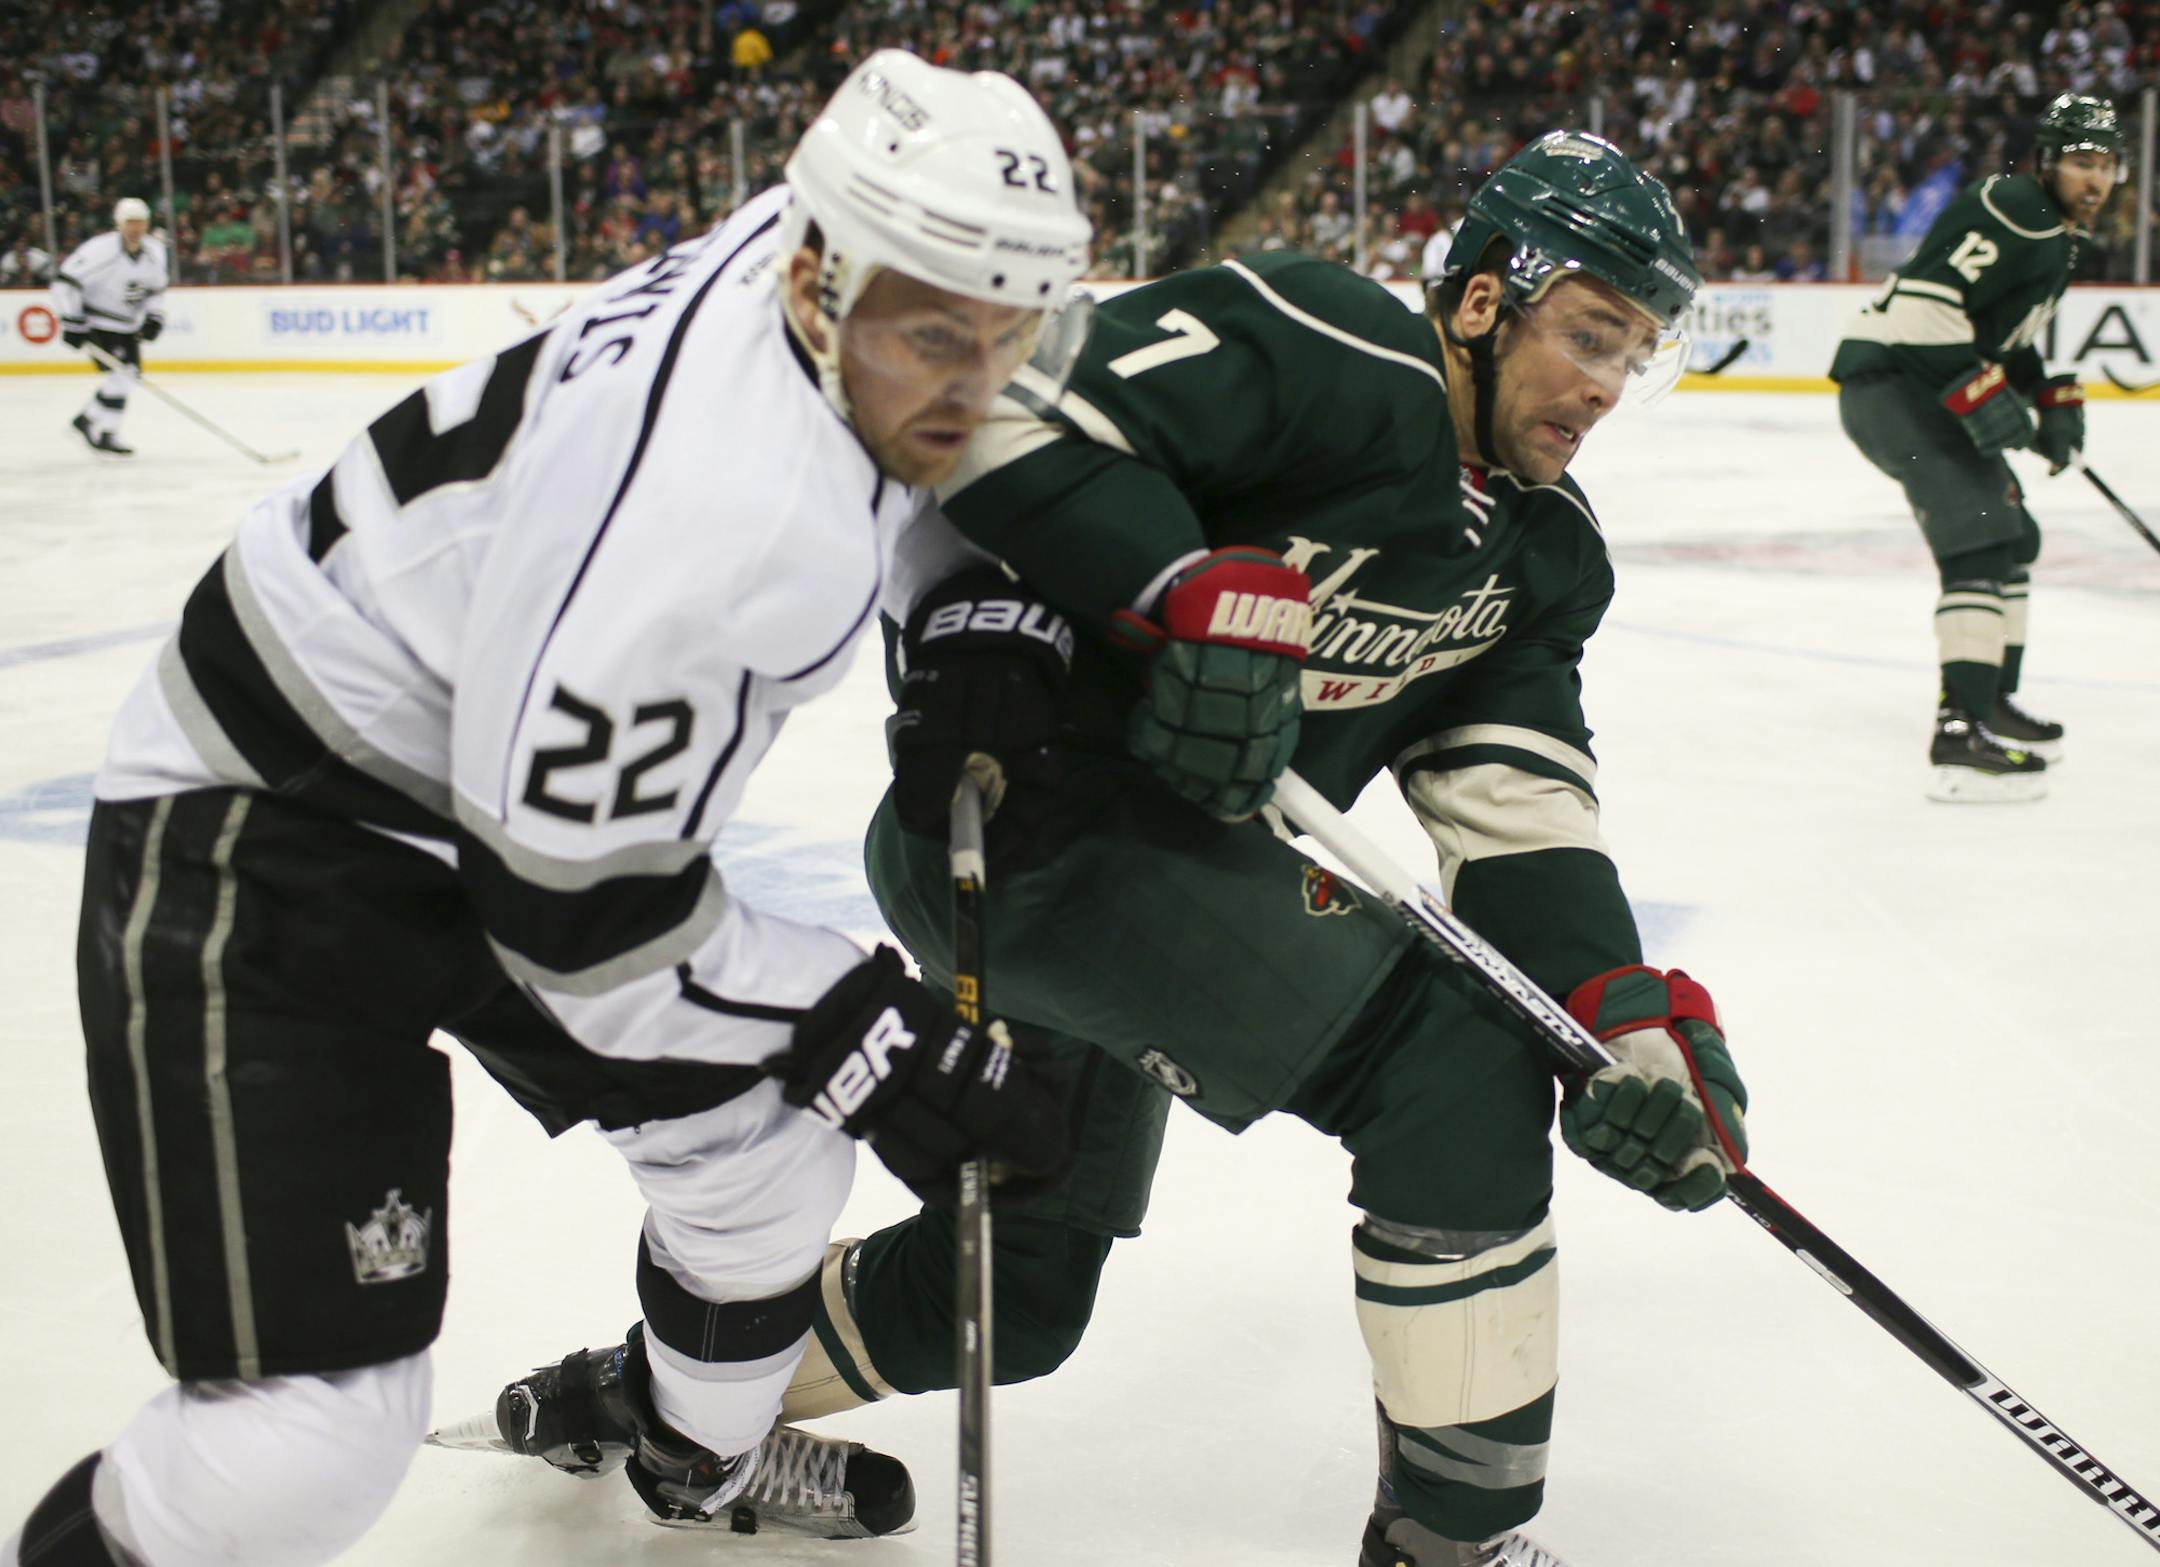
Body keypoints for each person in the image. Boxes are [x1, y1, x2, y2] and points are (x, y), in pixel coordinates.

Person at [474, 131, 1751, 1567]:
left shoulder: (1543, 557)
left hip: (1135, 885)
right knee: (1447, 1066)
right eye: (1588, 329)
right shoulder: (1325, 348)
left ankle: (654, 1394)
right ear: (1479, 300)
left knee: (1022, 1293)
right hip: (1022, 822)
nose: (1603, 383)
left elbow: (1518, 808)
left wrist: (1612, 1010)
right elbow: (1005, 411)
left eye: (1633, 353)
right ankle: (1453, 1545)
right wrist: (1178, 590)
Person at [3, 49, 1092, 1567]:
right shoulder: (718, 512)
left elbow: (919, 433)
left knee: (772, 1166)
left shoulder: (826, 258)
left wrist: (955, 590)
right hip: (278, 814)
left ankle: (684, 1449)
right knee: (300, 1443)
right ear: (815, 273)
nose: (971, 384)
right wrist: (868, 1026)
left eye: (1008, 334)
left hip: (492, 763)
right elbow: (585, 926)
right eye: (931, 335)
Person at [1829, 92, 2123, 803]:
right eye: (2082, 162)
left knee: (2015, 535)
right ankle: (1958, 736)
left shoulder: (2053, 230)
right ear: (2048, 161)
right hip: (1892, 384)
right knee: (1982, 535)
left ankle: (1989, 698)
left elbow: (1996, 341)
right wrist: (1986, 395)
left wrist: (2047, 398)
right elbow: (1927, 307)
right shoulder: (2014, 204)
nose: (2097, 179)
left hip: (1920, 382)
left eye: (2108, 164)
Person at [54, 195, 169, 457]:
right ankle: (106, 430)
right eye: (130, 222)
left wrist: (154, 317)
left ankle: (92, 422)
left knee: (127, 376)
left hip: (128, 325)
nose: (136, 227)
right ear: (119, 223)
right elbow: (64, 283)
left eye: (140, 222)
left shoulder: (154, 251)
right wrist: (71, 321)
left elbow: (155, 290)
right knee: (123, 374)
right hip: (98, 321)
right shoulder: (99, 249)